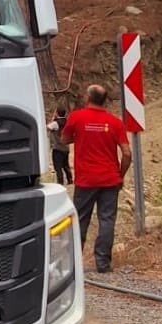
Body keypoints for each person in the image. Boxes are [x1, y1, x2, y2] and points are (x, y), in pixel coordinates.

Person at [61, 84, 132, 273]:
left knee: (80, 219)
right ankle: (102, 263)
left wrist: (83, 135)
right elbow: (127, 153)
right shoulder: (115, 122)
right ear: (105, 100)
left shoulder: (77, 117)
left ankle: (73, 263)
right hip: (110, 180)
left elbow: (64, 139)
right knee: (107, 220)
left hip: (86, 181)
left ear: (87, 98)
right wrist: (120, 175)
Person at [47, 103, 73, 186]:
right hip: (66, 147)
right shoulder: (67, 122)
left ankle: (60, 182)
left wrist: (53, 118)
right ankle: (70, 180)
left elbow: (47, 127)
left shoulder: (55, 123)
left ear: (57, 113)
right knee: (66, 166)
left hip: (57, 147)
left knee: (58, 167)